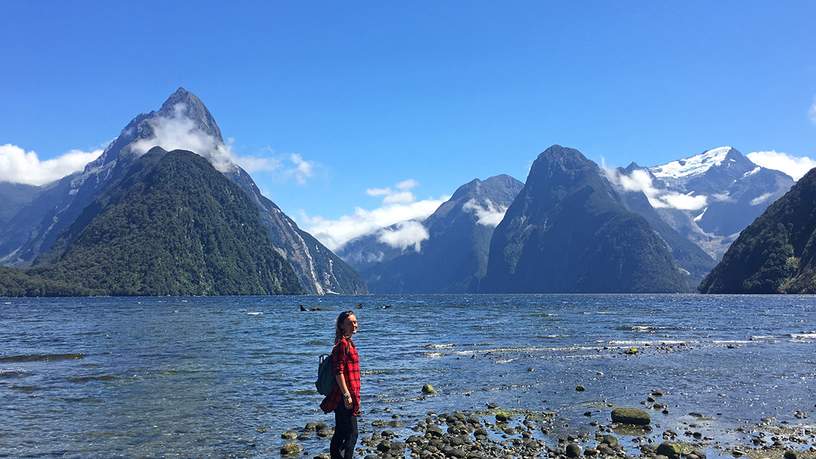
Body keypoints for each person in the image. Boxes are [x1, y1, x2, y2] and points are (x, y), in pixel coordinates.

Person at [320, 310, 360, 459]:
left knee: (341, 432)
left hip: (347, 395)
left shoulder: (348, 343)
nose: (355, 325)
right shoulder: (342, 345)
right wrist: (346, 394)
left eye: (355, 322)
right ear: (342, 326)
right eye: (351, 322)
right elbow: (339, 371)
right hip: (343, 396)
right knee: (352, 433)